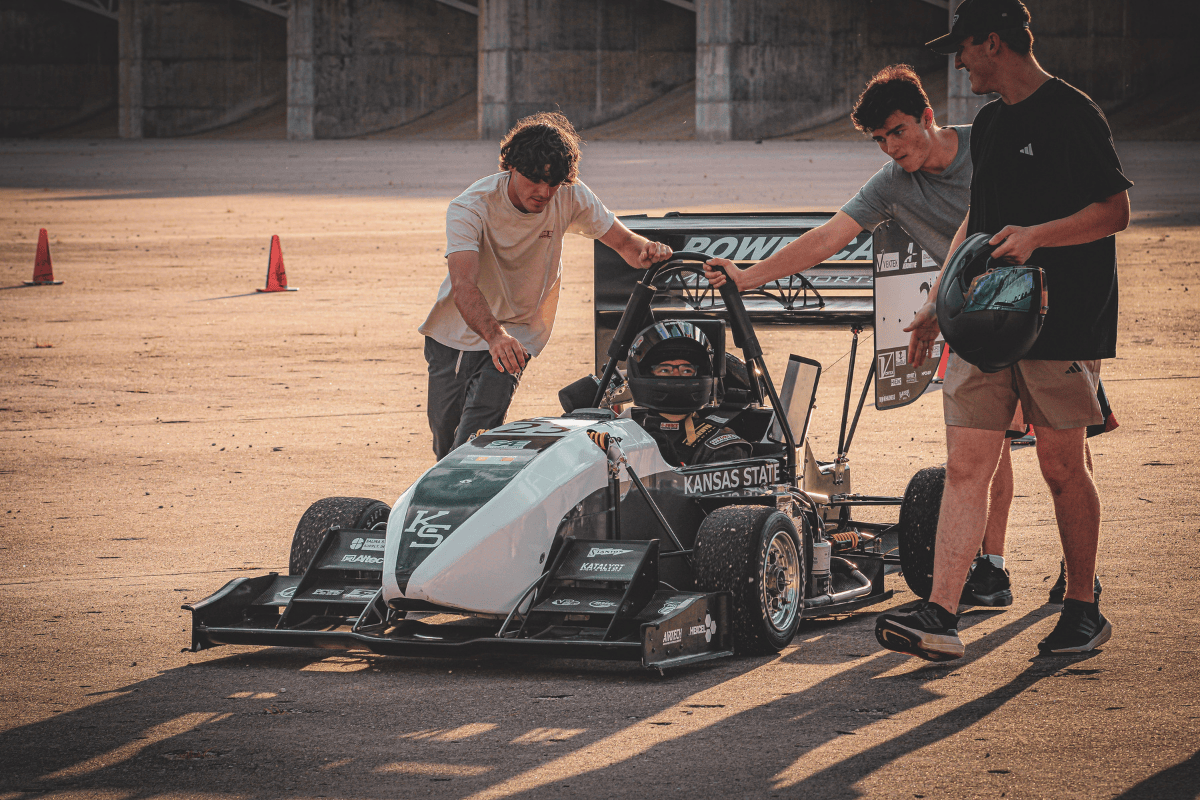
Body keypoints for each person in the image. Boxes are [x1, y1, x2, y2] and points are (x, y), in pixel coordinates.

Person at [704, 64, 1030, 607]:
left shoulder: (988, 144)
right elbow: (829, 236)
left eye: (897, 132)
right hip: (973, 319)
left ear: (928, 117)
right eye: (879, 140)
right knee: (984, 446)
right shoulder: (891, 185)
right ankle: (991, 569)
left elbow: (1009, 215)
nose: (890, 148)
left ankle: (1079, 574)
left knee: (1064, 448)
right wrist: (748, 275)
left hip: (1032, 304)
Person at [875, 0, 1131, 661]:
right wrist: (939, 300)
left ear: (994, 42)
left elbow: (1115, 209)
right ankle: (942, 612)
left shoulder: (1072, 113)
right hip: (982, 320)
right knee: (966, 466)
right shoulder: (988, 126)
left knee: (1061, 468)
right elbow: (975, 220)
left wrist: (1039, 237)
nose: (957, 61)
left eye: (963, 47)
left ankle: (1082, 607)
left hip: (1062, 319)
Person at [420, 112, 672, 460]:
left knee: (475, 438)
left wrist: (646, 251)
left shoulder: (569, 195)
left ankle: (476, 499)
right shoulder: (470, 207)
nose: (544, 192)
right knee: (444, 445)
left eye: (553, 182)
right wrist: (494, 336)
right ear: (510, 167)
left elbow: (626, 244)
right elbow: (464, 284)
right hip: (457, 336)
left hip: (519, 332)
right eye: (534, 179)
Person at [626, 321, 752, 466]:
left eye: (686, 371)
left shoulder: (723, 448)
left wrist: (669, 468)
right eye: (665, 370)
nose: (675, 376)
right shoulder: (626, 431)